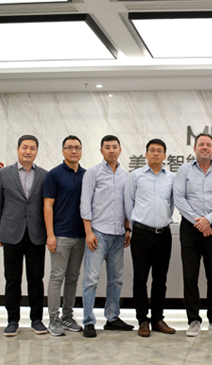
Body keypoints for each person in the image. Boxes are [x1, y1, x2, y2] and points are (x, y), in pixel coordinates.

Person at [174, 133, 212, 337]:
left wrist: (208, 219)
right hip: (190, 228)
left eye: (208, 144)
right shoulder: (184, 170)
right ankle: (193, 320)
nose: (205, 147)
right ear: (195, 148)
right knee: (190, 276)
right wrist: (198, 221)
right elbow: (179, 198)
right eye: (201, 144)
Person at [0, 135, 48, 336]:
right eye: (25, 147)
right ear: (17, 150)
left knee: (36, 279)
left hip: (36, 235)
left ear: (36, 151)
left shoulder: (44, 175)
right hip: (11, 234)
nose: (28, 151)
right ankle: (12, 320)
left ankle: (36, 320)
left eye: (32, 148)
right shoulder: (3, 174)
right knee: (12, 279)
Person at [80, 135, 133, 338]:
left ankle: (112, 318)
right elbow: (85, 203)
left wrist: (127, 229)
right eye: (107, 147)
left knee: (116, 279)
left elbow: (126, 205)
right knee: (91, 279)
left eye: (114, 147)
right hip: (98, 234)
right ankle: (88, 321)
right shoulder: (93, 173)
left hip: (118, 235)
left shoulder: (125, 176)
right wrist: (88, 232)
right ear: (101, 150)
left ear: (120, 150)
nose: (111, 150)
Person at [125, 138, 176, 338]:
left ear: (165, 156)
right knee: (140, 279)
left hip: (163, 234)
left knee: (160, 279)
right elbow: (128, 203)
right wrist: (131, 227)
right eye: (152, 150)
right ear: (146, 154)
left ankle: (157, 319)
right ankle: (142, 320)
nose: (155, 153)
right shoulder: (135, 176)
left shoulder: (171, 178)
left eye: (159, 151)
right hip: (141, 234)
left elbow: (171, 204)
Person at [43, 135, 86, 336]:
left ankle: (68, 316)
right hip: (60, 235)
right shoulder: (54, 174)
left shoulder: (86, 175)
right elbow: (47, 206)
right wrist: (50, 234)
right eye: (69, 147)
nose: (73, 151)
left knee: (73, 278)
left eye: (77, 147)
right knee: (57, 277)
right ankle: (53, 319)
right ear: (63, 151)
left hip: (81, 236)